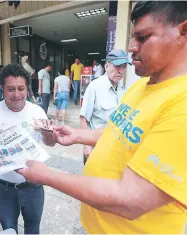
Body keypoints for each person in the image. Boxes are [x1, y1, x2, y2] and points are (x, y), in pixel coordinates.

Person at [17, 2, 187, 233]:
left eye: (143, 37)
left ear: (183, 32)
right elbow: (118, 132)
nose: (130, 47)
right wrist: (78, 135)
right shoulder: (143, 86)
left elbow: (131, 199)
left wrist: (47, 175)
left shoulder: (181, 105)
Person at [0, 64, 57, 234]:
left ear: (27, 88)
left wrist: (48, 132)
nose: (16, 94)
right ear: (2, 89)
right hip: (5, 188)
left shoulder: (37, 111)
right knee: (8, 230)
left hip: (33, 186)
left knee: (33, 229)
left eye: (21, 88)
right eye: (10, 89)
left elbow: (49, 143)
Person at [79, 49, 130, 164]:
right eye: (117, 66)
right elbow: (83, 118)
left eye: (124, 67)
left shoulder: (122, 89)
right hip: (97, 146)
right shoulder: (95, 87)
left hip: (115, 147)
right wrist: (86, 146)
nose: (120, 71)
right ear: (106, 66)